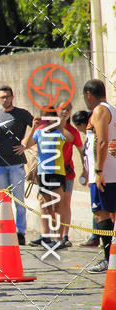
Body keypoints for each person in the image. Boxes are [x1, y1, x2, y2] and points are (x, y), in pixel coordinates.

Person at [0, 85, 33, 245]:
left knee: (19, 200)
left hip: (16, 164)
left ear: (12, 97)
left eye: (7, 96)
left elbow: (37, 125)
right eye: (2, 97)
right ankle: (5, 229)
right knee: (3, 199)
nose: (5, 99)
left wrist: (25, 144)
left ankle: (20, 233)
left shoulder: (21, 114)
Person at [24, 109, 73, 250]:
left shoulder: (59, 133)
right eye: (46, 118)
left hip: (57, 173)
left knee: (59, 206)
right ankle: (48, 237)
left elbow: (70, 138)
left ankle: (59, 239)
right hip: (43, 173)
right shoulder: (39, 132)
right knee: (46, 206)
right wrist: (33, 126)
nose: (48, 121)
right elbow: (26, 144)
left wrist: (60, 124)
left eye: (51, 118)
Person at [83, 79, 116, 273]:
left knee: (101, 213)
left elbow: (102, 140)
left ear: (89, 94)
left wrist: (98, 171)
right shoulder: (111, 109)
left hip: (106, 173)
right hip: (108, 171)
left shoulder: (100, 110)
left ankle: (107, 259)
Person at [56, 103, 84, 248]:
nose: (65, 112)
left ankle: (64, 235)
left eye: (68, 109)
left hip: (67, 172)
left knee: (65, 203)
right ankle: (54, 235)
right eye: (62, 109)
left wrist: (85, 170)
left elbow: (81, 151)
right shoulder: (50, 128)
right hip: (52, 172)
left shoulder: (72, 131)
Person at [72, 109, 98, 247]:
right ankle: (96, 236)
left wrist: (96, 174)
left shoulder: (95, 133)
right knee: (96, 208)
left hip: (99, 177)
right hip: (93, 176)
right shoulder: (90, 134)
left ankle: (96, 237)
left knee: (98, 209)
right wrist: (86, 172)